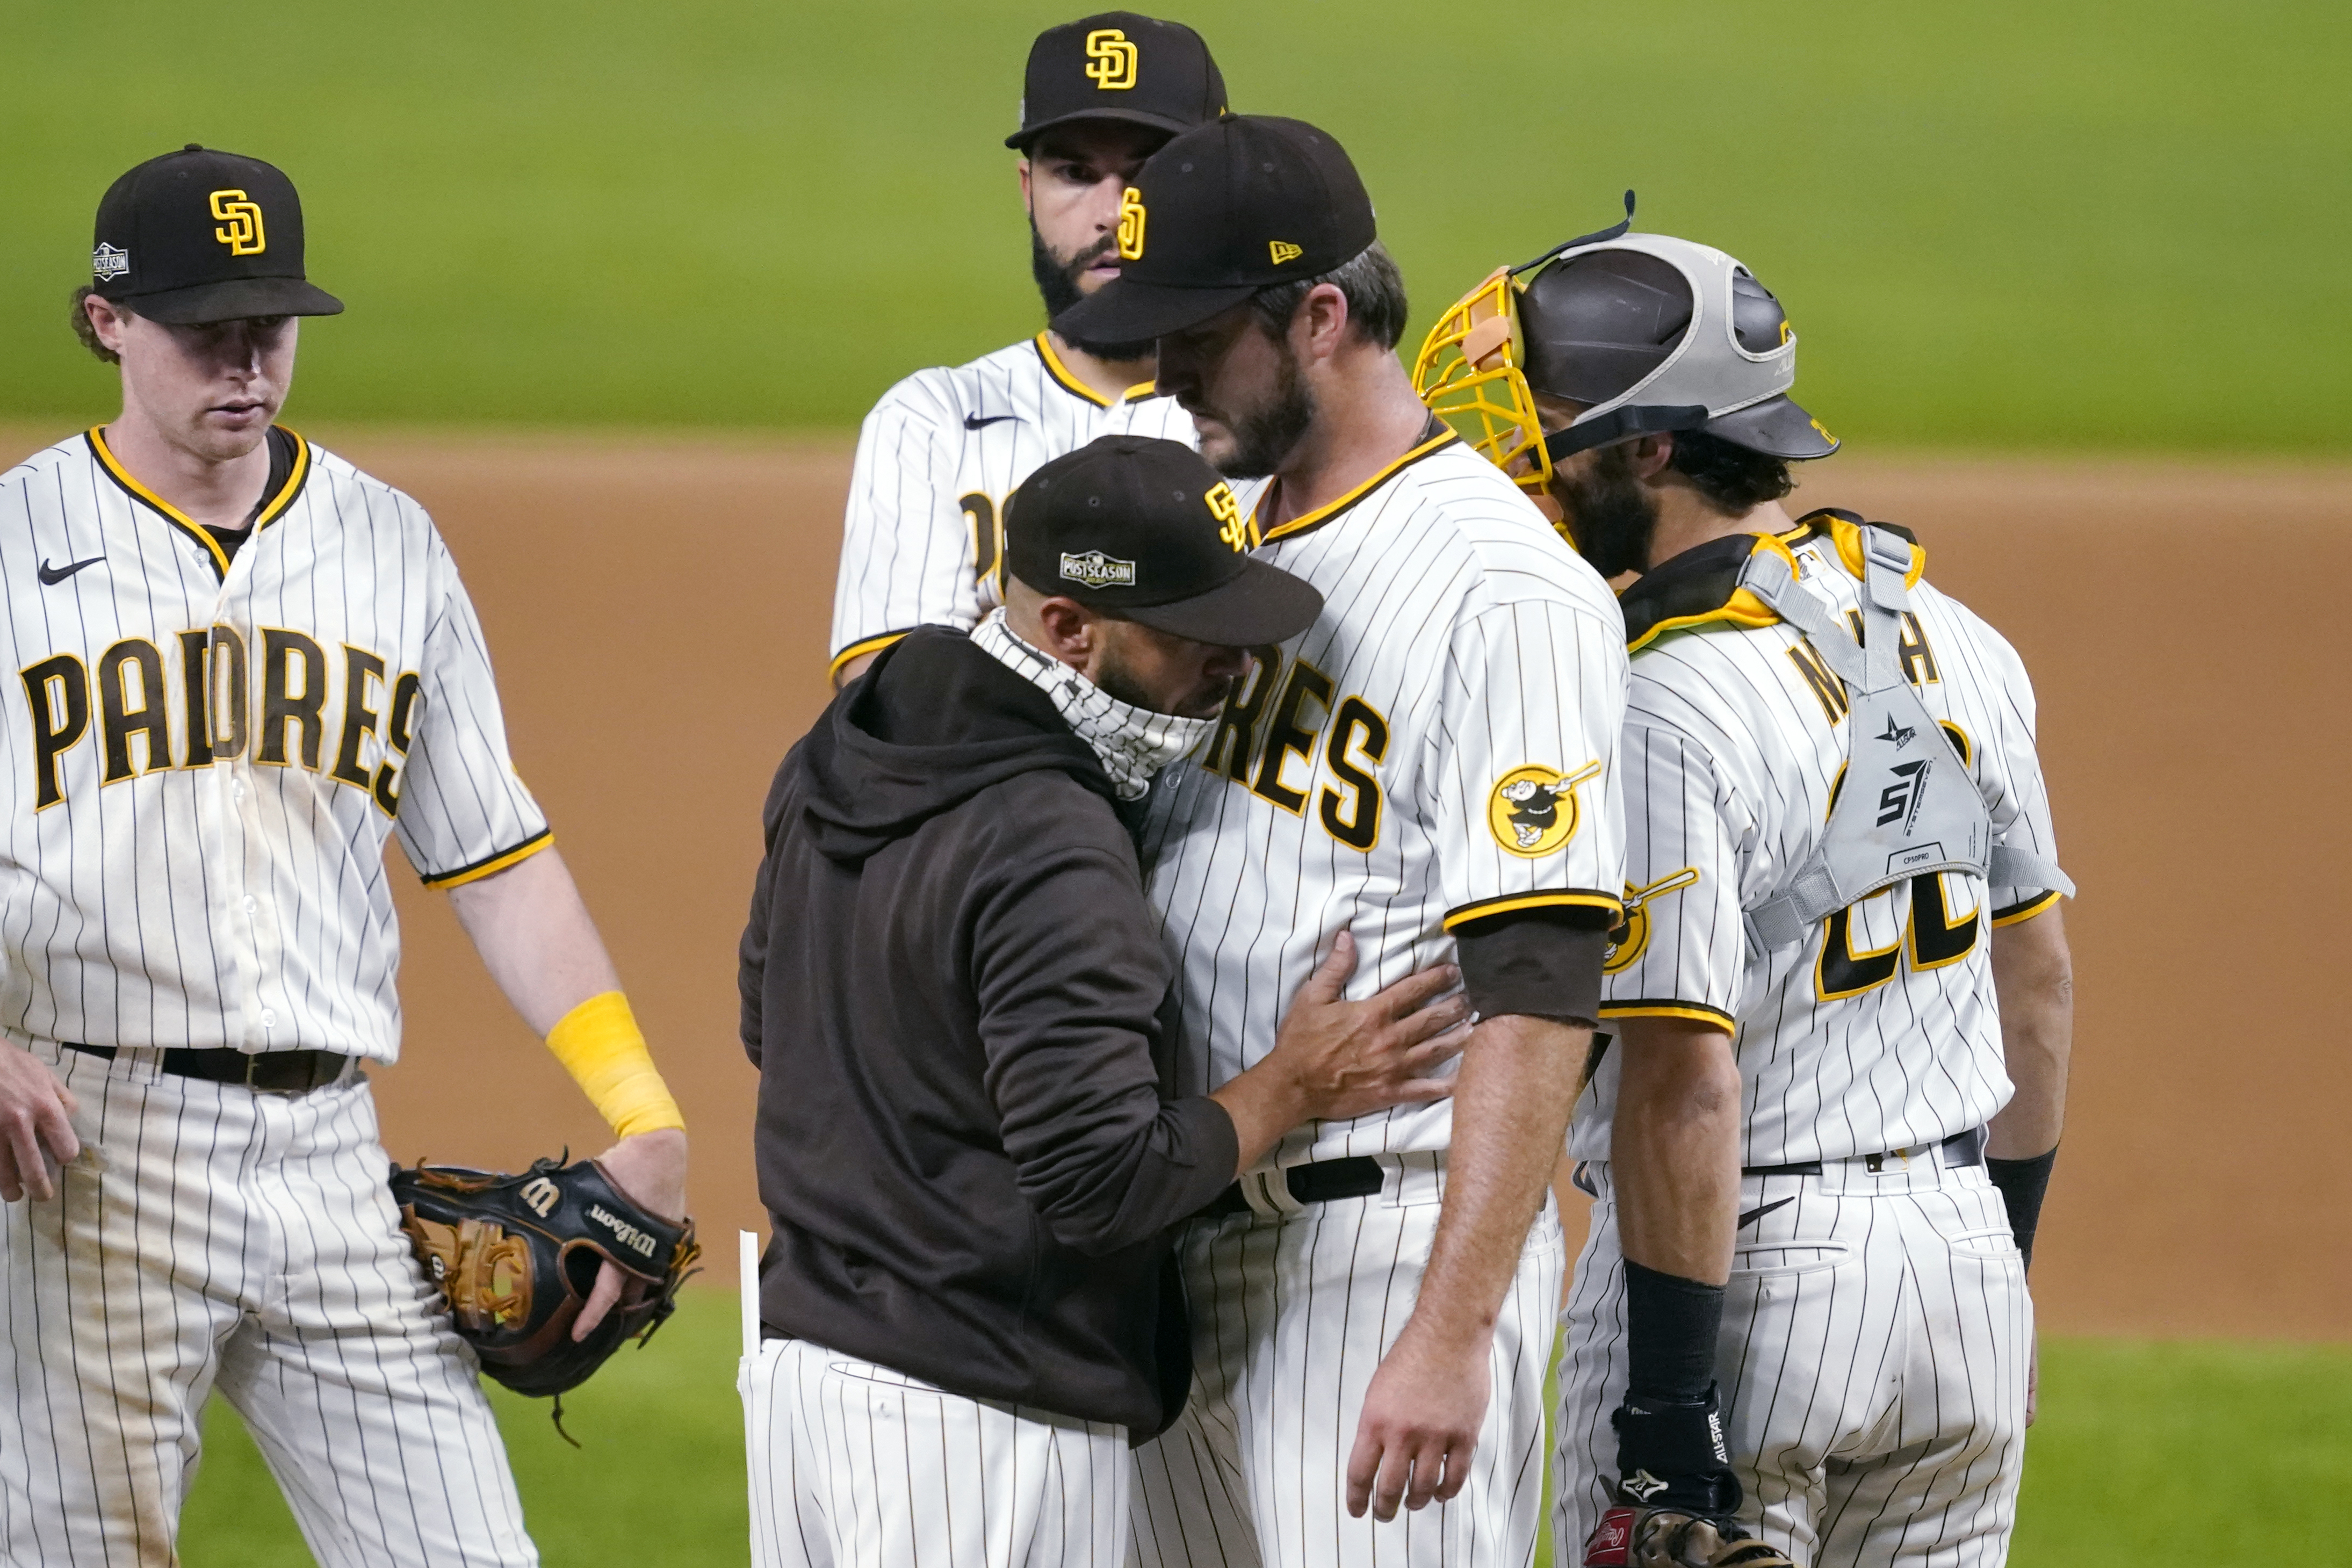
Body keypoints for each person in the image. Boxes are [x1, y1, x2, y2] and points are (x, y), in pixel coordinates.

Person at [0, 145, 692, 1567]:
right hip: (90, 1153)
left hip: (331, 1158)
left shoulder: (389, 542)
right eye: (206, 329)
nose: (246, 363)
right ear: (107, 321)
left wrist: (643, 1106)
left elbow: (493, 855)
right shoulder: (14, 545)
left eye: (272, 326)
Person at [1423, 226, 2073, 1565]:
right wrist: (1998, 1275)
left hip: (1742, 1285)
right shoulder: (1958, 636)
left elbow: (1682, 1078)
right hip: (1964, 1261)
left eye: (1549, 423)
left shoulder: (1656, 700)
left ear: (1650, 449)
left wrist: (1668, 1414)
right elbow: (2041, 984)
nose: (1521, 455)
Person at [1053, 118, 1629, 1565]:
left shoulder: (1505, 583)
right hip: (1187, 1249)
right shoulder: (1219, 534)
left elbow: (1544, 977)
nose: (1164, 373)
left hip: (1383, 1256)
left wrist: (1449, 1333)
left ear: (1319, 316)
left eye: (1194, 335)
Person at [740, 435, 1472, 1567]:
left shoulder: (842, 746)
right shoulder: (1051, 836)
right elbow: (1099, 1182)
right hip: (978, 1413)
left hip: (802, 1376)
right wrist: (1292, 1082)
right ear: (1070, 629)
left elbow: (766, 1015)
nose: (1239, 664)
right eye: (1199, 632)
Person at [826, 11, 1223, 686]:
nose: (1111, 213)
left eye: (1148, 172)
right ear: (1028, 190)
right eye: (1074, 172)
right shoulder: (934, 420)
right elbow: (890, 704)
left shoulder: (1270, 427)